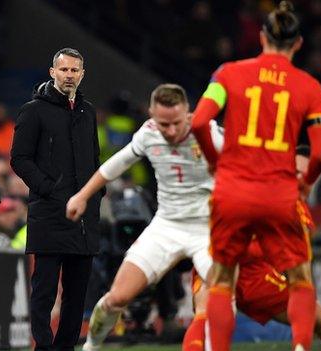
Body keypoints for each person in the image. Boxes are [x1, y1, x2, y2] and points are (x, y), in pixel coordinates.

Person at [191, 2, 321, 350]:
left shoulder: (227, 73)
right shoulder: (311, 87)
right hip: (279, 194)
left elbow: (197, 122)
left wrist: (213, 161)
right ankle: (300, 346)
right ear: (298, 43)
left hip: (232, 191)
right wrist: (307, 180)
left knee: (221, 280)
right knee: (300, 278)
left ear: (261, 36)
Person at [65, 83, 223, 351]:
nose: (171, 131)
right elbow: (115, 165)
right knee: (116, 298)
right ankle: (91, 346)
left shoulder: (210, 133)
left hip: (207, 228)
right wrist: (82, 196)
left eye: (176, 123)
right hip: (166, 227)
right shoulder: (148, 134)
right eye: (164, 124)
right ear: (151, 114)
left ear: (188, 113)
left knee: (213, 305)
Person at [183, 151, 321, 351]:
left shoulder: (300, 213)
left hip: (256, 276)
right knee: (204, 313)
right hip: (218, 260)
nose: (298, 179)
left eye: (305, 175)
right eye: (294, 172)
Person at [10, 48, 102, 351]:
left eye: (74, 70)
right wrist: (49, 189)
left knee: (77, 294)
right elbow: (19, 159)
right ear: (52, 72)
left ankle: (65, 347)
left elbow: (94, 159)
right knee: (44, 291)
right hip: (49, 214)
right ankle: (44, 347)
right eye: (64, 70)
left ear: (82, 74)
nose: (69, 75)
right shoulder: (33, 110)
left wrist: (95, 193)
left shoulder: (87, 112)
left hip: (84, 218)